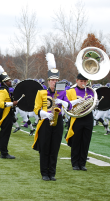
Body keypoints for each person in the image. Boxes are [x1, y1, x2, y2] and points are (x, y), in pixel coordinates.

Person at [32, 53, 75, 181]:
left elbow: (70, 107)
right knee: (45, 148)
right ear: (48, 81)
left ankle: (52, 173)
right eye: (52, 80)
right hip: (45, 122)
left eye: (56, 80)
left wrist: (64, 102)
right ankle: (44, 173)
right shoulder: (41, 92)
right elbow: (36, 109)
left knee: (55, 148)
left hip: (58, 122)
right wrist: (44, 114)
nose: (54, 82)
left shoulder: (62, 92)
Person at [65, 73, 94, 171]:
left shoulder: (90, 91)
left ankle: (82, 163)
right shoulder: (70, 91)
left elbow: (93, 103)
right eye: (81, 81)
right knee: (76, 141)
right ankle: (75, 163)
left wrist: (95, 103)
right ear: (77, 81)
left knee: (86, 141)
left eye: (85, 81)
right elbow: (66, 105)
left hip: (88, 117)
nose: (83, 83)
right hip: (76, 118)